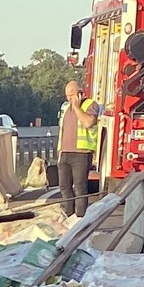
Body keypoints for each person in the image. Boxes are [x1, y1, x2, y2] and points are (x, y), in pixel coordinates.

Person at [57, 78, 100, 218]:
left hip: (81, 153)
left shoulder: (90, 105)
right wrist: (60, 151)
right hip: (65, 153)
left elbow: (88, 123)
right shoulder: (65, 108)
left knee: (80, 186)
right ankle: (68, 215)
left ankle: (80, 217)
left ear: (80, 93)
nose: (69, 99)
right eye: (67, 96)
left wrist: (76, 107)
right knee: (64, 186)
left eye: (72, 95)